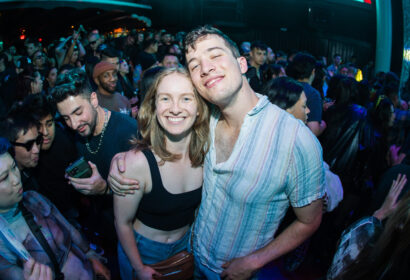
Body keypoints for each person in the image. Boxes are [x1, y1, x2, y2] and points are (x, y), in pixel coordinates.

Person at [109, 25, 325, 280]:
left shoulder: (296, 139)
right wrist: (118, 161)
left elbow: (310, 220)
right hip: (190, 257)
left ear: (242, 64)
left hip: (237, 273)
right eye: (194, 64)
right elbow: (159, 148)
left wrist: (255, 261)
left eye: (215, 55)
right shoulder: (203, 122)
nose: (206, 67)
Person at [114, 67, 210, 280]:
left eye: (186, 98)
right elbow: (122, 222)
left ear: (199, 108)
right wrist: (138, 267)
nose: (175, 109)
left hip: (186, 246)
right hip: (143, 251)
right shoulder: (137, 162)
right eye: (165, 98)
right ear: (154, 106)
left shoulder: (207, 156)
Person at [0, 138, 110, 280]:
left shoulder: (34, 198)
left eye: (14, 167)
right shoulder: (3, 242)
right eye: (4, 178)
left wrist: (90, 255)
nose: (16, 179)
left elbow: (69, 229)